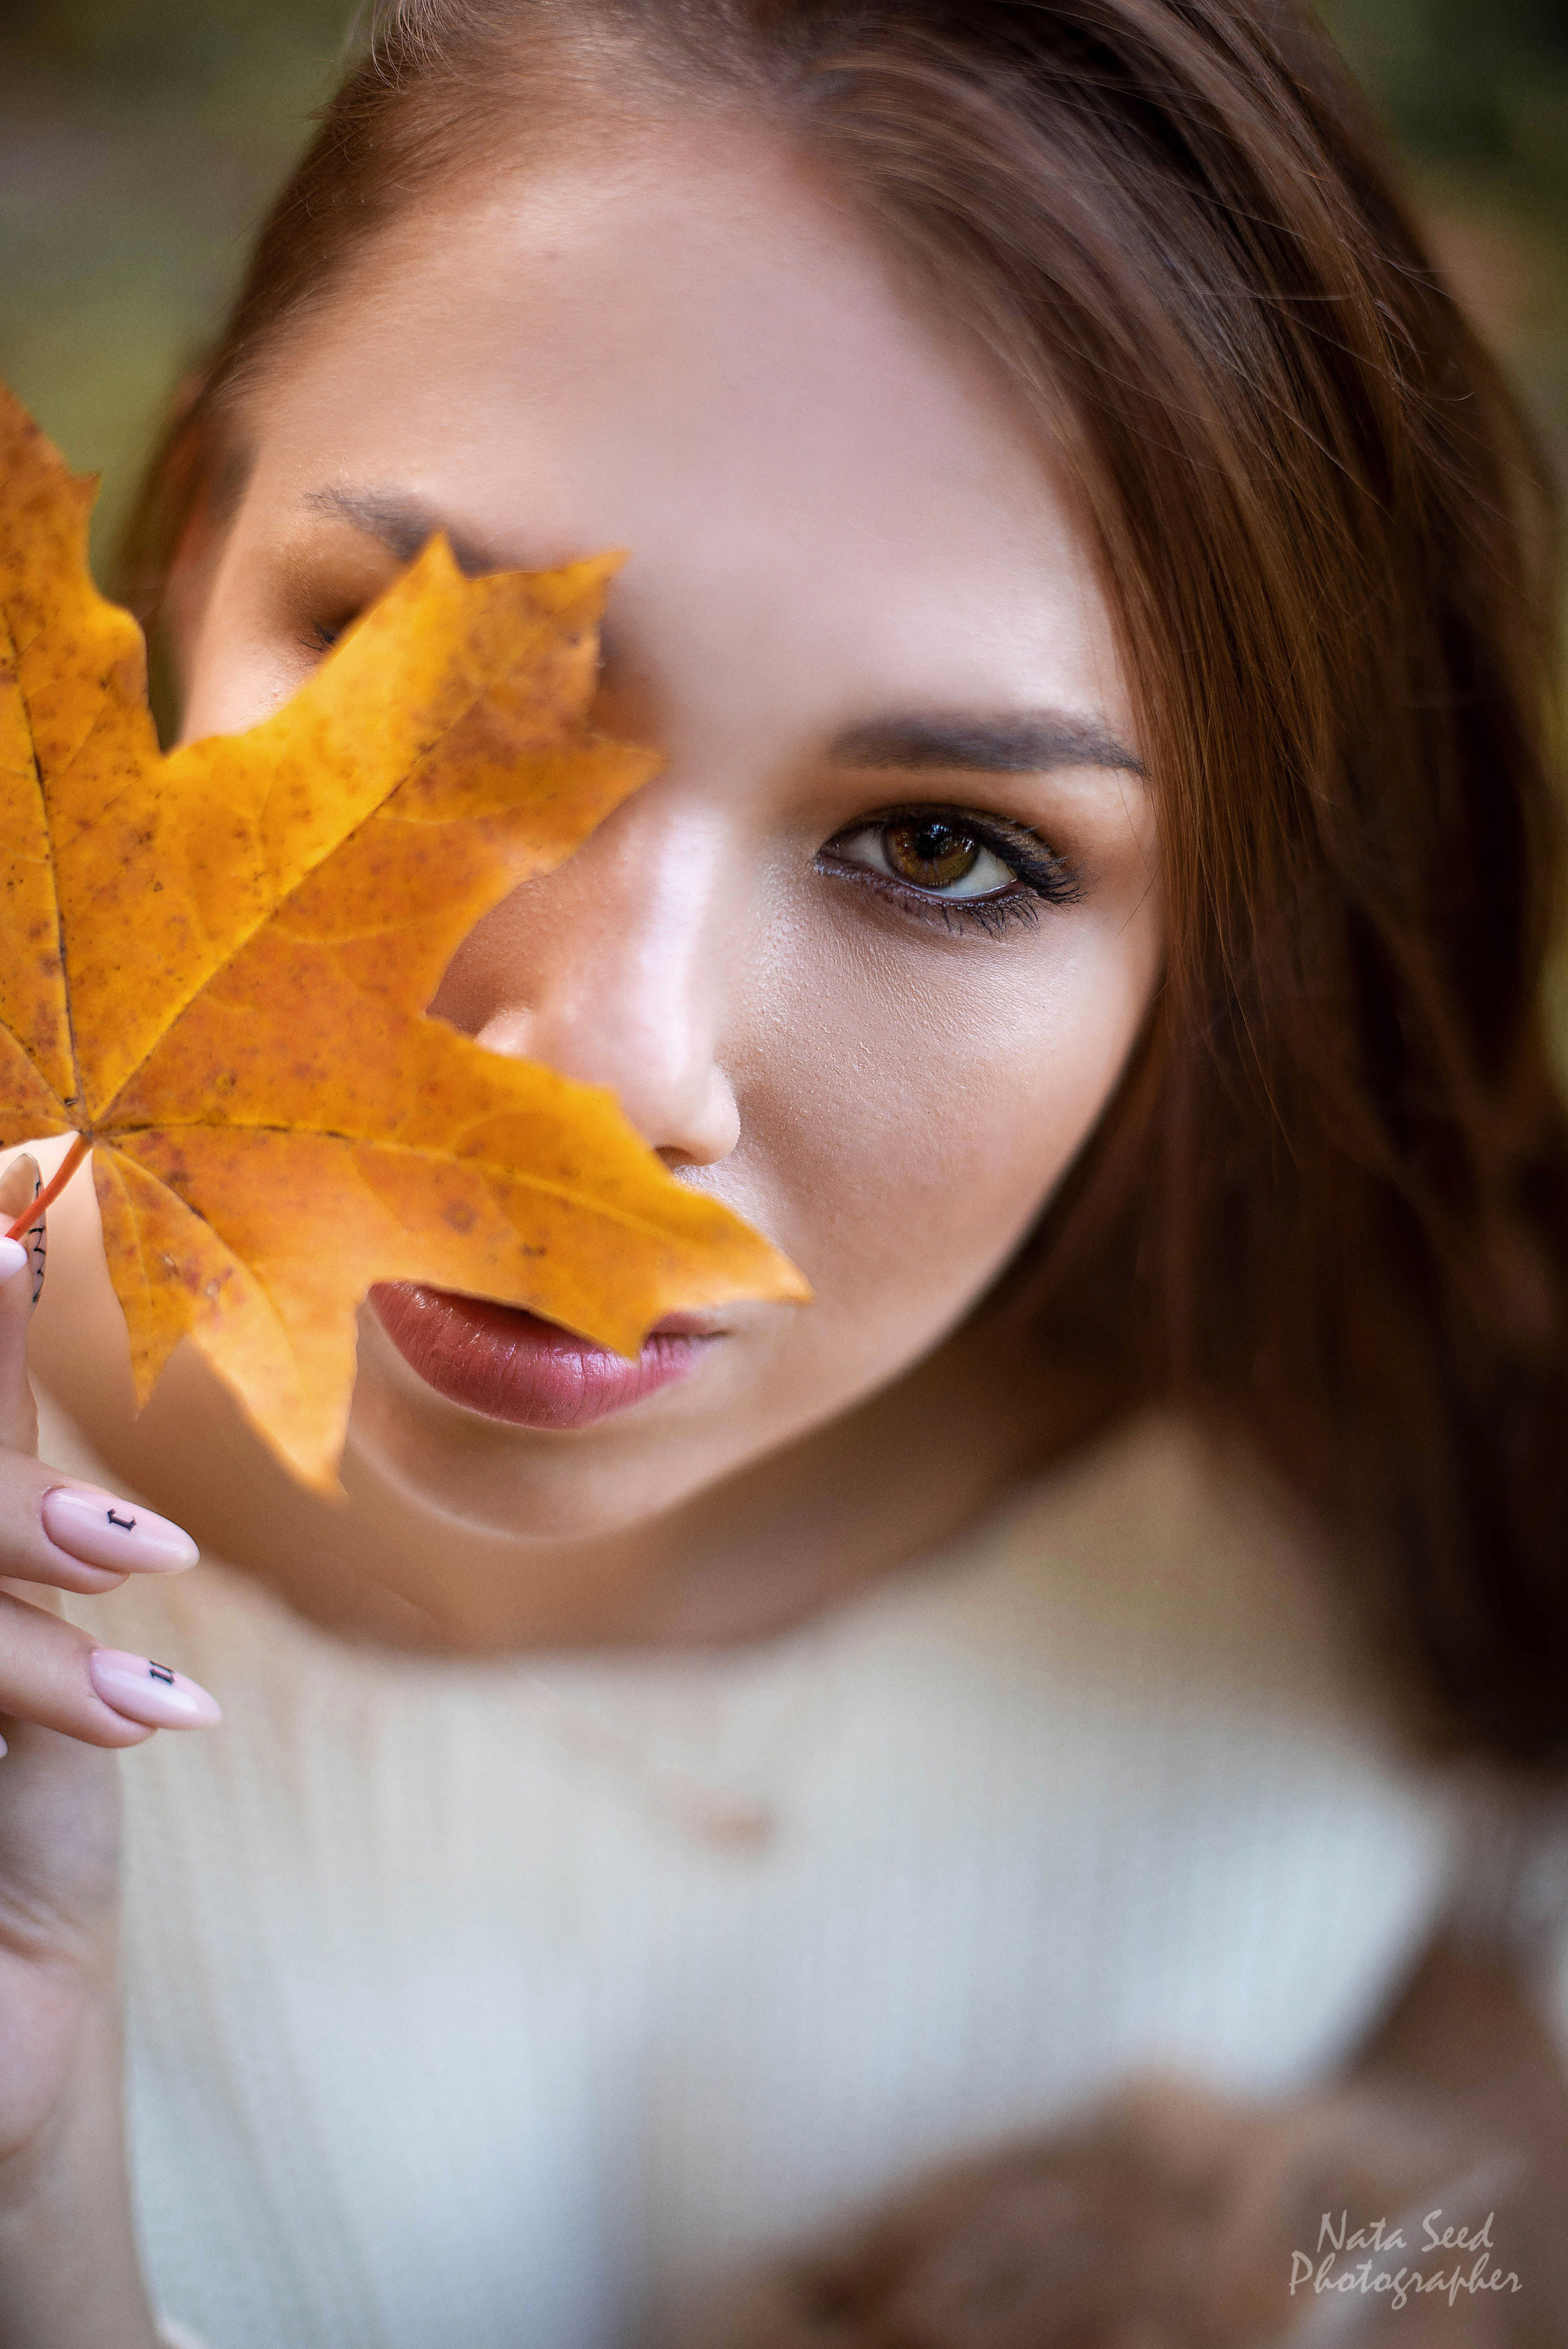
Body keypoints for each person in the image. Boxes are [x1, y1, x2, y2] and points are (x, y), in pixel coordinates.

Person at [2, 0, 1567, 2340]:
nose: (617, 1069)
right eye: (438, 703)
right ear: (194, 551)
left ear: (1245, 915)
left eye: (942, 846)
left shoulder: (1445, 1541)